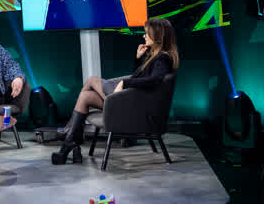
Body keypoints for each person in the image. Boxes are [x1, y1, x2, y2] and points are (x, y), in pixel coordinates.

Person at [52, 18, 180, 165]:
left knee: (92, 80)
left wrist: (124, 83)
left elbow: (153, 81)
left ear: (157, 35)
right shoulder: (154, 55)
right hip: (131, 101)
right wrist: (138, 59)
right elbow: (139, 77)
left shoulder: (163, 58)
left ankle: (69, 134)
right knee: (86, 96)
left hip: (136, 107)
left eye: (147, 33)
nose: (144, 36)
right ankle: (71, 140)